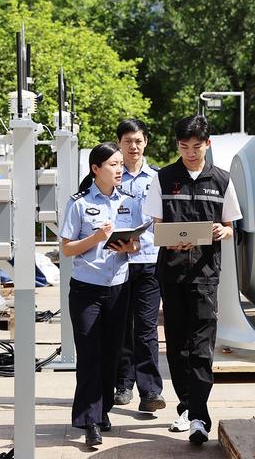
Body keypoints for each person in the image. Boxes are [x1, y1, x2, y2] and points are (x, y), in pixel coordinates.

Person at [142, 115, 242, 444]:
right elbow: (156, 225)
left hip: (206, 274)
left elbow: (230, 226)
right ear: (177, 145)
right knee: (177, 346)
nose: (190, 153)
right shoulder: (163, 178)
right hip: (171, 272)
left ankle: (198, 416)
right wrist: (170, 239)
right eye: (184, 147)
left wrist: (222, 231)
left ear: (207, 144)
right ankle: (187, 407)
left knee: (201, 347)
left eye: (196, 147)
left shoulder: (222, 180)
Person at [60, 142, 142, 447]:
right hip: (86, 289)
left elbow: (136, 244)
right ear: (96, 169)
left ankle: (102, 409)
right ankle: (89, 420)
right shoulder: (79, 203)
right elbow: (67, 249)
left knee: (111, 354)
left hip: (118, 286)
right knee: (89, 355)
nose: (119, 169)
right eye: (113, 164)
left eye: (121, 164)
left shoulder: (129, 201)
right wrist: (96, 237)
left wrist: (129, 246)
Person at [113, 119, 166, 412]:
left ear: (145, 142)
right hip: (117, 262)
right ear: (119, 143)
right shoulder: (109, 176)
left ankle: (150, 391)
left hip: (149, 261)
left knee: (146, 328)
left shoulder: (158, 178)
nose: (133, 146)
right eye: (127, 141)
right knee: (122, 326)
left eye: (138, 141)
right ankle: (123, 384)